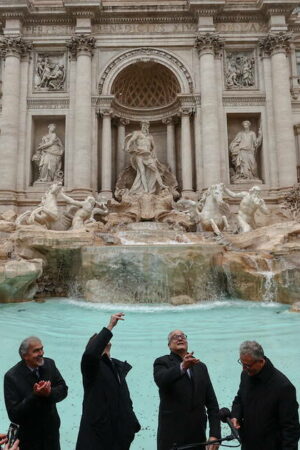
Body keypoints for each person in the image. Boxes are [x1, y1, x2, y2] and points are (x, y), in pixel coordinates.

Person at [76, 312, 140, 450]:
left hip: (119, 435)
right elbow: (90, 354)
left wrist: (132, 424)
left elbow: (125, 399)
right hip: (97, 436)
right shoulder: (91, 368)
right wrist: (110, 326)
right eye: (98, 339)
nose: (102, 340)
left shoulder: (116, 367)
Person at [153, 330, 221, 450]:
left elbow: (212, 404)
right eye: (175, 337)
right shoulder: (162, 362)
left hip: (198, 437)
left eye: (183, 336)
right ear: (169, 345)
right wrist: (183, 366)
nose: (180, 338)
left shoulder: (201, 366)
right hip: (172, 439)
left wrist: (215, 434)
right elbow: (162, 381)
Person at [231, 340, 300, 450]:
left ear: (261, 361)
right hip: (248, 445)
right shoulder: (245, 375)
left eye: (247, 365)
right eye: (242, 364)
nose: (243, 369)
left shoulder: (284, 387)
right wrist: (235, 415)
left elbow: (291, 429)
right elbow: (239, 399)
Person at [4, 336, 68, 450]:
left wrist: (49, 393)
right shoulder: (11, 377)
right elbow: (14, 415)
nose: (41, 353)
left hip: (51, 434)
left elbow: (63, 389)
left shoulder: (49, 364)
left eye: (42, 349)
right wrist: (34, 396)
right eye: (36, 351)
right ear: (25, 356)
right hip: (28, 439)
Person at [124, 121, 167, 194]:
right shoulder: (138, 134)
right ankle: (146, 189)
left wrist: (154, 156)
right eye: (144, 125)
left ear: (148, 126)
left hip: (148, 155)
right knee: (142, 172)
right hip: (139, 155)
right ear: (141, 126)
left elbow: (153, 147)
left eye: (146, 125)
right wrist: (127, 147)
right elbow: (131, 140)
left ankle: (161, 184)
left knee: (155, 169)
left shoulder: (150, 137)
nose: (145, 126)